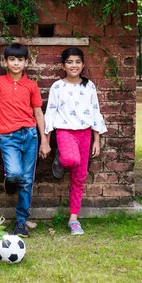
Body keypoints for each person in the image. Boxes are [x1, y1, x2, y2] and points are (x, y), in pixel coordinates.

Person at [44, 47, 107, 235]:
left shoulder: (89, 86)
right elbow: (50, 113)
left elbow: (95, 111)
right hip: (64, 132)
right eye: (70, 62)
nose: (74, 65)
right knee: (71, 160)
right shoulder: (57, 86)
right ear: (63, 65)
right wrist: (46, 141)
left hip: (85, 133)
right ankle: (61, 157)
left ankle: (74, 219)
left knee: (79, 178)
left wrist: (97, 140)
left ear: (83, 65)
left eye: (77, 62)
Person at [0, 43, 51, 238]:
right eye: (12, 59)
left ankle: (21, 222)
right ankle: (10, 181)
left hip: (30, 135)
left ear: (26, 62)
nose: (16, 63)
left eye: (20, 59)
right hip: (8, 136)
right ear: (5, 62)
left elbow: (38, 113)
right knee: (15, 173)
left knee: (27, 180)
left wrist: (44, 139)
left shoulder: (31, 85)